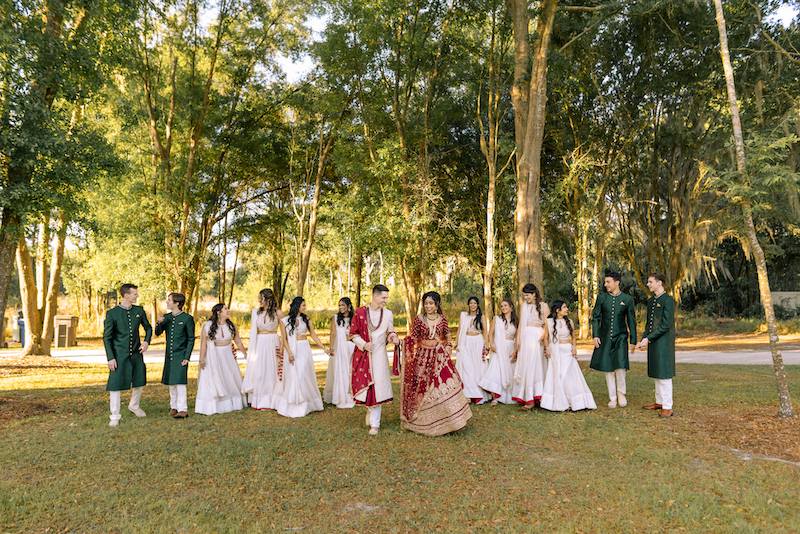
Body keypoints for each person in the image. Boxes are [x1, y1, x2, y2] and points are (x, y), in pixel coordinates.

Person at [400, 291, 472, 435]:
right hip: (422, 357)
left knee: (444, 385)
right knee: (422, 386)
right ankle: (423, 421)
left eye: (431, 303)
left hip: (439, 357)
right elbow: (413, 338)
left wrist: (448, 346)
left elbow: (447, 334)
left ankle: (451, 421)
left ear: (436, 304)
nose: (428, 306)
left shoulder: (442, 318)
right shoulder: (419, 319)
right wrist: (402, 342)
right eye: (426, 303)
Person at [350, 284, 400, 436]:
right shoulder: (359, 312)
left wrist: (393, 337)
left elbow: (390, 331)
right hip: (363, 354)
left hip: (379, 356)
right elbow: (353, 333)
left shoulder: (388, 314)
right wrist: (364, 344)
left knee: (377, 389)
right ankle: (370, 411)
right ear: (375, 296)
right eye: (383, 297)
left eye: (386, 298)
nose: (385, 300)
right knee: (366, 388)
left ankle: (375, 424)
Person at [104, 283, 152, 427]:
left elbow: (148, 328)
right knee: (115, 384)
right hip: (119, 354)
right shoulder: (112, 313)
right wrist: (111, 357)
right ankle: (115, 415)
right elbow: (107, 337)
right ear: (126, 295)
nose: (137, 296)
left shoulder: (139, 310)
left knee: (139, 380)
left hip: (136, 353)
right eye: (135, 294)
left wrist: (146, 342)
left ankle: (134, 405)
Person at [274, 296, 328, 418]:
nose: (305, 307)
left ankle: (305, 402)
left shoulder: (306, 319)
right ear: (297, 306)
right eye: (303, 305)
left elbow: (313, 335)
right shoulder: (285, 321)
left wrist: (324, 349)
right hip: (293, 349)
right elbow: (284, 339)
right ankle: (295, 403)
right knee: (295, 374)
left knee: (303, 373)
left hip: (304, 348)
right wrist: (289, 353)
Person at [590, 272, 636, 408]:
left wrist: (633, 341)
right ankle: (612, 397)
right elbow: (596, 318)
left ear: (617, 282)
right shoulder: (602, 298)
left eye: (608, 282)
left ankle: (621, 393)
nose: (605, 285)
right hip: (604, 337)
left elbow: (631, 321)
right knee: (607, 367)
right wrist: (595, 335)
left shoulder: (627, 299)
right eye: (605, 282)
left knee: (620, 365)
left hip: (621, 337)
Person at [541, 301, 597, 412]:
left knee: (568, 375)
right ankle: (562, 401)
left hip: (567, 350)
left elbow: (573, 337)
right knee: (558, 374)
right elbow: (546, 337)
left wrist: (574, 347)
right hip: (555, 351)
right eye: (564, 307)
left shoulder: (569, 321)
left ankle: (576, 401)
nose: (567, 309)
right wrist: (547, 348)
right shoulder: (549, 322)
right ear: (557, 310)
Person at [636, 273, 676, 418]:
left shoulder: (669, 300)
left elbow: (666, 325)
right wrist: (643, 338)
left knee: (664, 374)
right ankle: (659, 402)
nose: (648, 284)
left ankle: (667, 406)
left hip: (664, 342)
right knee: (656, 372)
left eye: (650, 282)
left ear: (660, 283)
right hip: (653, 341)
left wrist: (648, 339)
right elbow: (649, 324)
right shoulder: (651, 301)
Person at [195, 303, 247, 415]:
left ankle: (233, 401)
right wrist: (201, 360)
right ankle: (217, 404)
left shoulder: (232, 325)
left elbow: (237, 340)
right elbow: (204, 344)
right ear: (218, 312)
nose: (228, 310)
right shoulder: (207, 326)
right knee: (216, 377)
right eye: (225, 309)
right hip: (214, 356)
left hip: (228, 354)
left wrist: (245, 353)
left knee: (229, 376)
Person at [242, 289, 286, 410]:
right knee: (260, 371)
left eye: (261, 298)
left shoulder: (278, 313)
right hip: (260, 343)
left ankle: (273, 400)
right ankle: (259, 399)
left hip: (273, 342)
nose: (259, 301)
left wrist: (282, 348)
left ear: (268, 299)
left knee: (272, 371)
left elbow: (284, 332)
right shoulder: (257, 313)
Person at [155, 293, 195, 419]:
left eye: (169, 300)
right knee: (171, 382)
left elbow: (191, 338)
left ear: (177, 303)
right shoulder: (167, 317)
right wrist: (159, 323)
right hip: (169, 355)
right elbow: (157, 333)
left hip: (181, 354)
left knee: (180, 382)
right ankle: (174, 407)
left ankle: (183, 409)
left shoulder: (187, 318)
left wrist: (187, 357)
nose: (167, 302)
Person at [512, 283, 550, 409]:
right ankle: (528, 397)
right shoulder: (524, 306)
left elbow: (548, 324)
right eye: (525, 296)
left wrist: (543, 336)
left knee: (536, 365)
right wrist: (518, 341)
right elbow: (521, 324)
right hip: (526, 337)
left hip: (537, 337)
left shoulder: (543, 306)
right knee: (527, 366)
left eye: (528, 295)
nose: (526, 298)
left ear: (534, 294)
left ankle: (538, 396)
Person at [478, 299, 518, 405]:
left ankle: (507, 395)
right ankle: (496, 397)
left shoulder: (516, 321)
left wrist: (515, 351)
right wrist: (491, 345)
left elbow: (518, 337)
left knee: (509, 371)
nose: (503, 307)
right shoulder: (497, 319)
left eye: (505, 305)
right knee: (496, 370)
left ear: (511, 307)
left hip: (510, 347)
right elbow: (490, 333)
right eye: (501, 306)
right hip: (498, 347)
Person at [453, 297, 490, 404]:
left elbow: (485, 332)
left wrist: (487, 347)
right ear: (468, 305)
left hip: (478, 342)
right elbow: (460, 329)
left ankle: (479, 392)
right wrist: (456, 343)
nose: (472, 305)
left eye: (474, 303)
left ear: (478, 305)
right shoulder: (464, 316)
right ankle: (467, 394)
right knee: (466, 367)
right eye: (471, 303)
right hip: (466, 343)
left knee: (477, 366)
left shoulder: (481, 317)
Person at [323, 297, 356, 409]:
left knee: (350, 370)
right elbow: (332, 333)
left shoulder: (354, 318)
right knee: (341, 371)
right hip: (340, 349)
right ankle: (340, 396)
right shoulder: (336, 318)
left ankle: (352, 394)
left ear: (349, 306)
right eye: (339, 305)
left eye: (343, 305)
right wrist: (331, 347)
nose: (341, 307)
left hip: (351, 347)